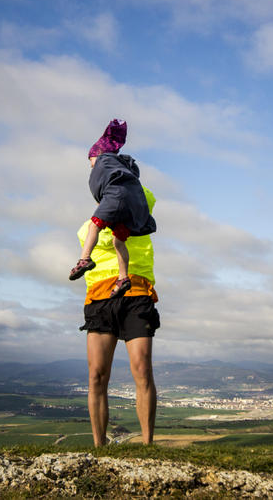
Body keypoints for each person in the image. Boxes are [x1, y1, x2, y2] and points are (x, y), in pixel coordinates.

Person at [76, 185, 160, 447]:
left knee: (142, 368)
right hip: (100, 296)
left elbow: (142, 198)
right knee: (97, 375)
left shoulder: (140, 210)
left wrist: (118, 174)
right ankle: (99, 447)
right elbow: (97, 235)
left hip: (136, 292)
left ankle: (148, 445)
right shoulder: (90, 224)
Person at [69, 119, 157, 299]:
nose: (91, 164)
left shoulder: (104, 160)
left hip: (116, 199)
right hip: (132, 208)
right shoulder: (123, 169)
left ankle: (84, 259)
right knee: (119, 241)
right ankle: (123, 278)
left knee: (95, 225)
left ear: (98, 154)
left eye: (90, 160)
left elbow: (98, 185)